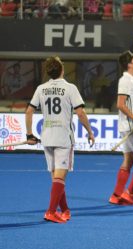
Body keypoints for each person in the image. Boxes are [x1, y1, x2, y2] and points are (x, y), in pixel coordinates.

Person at [24, 56, 96, 223]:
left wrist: (29, 134)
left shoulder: (41, 88)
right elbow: (80, 113)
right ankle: (50, 212)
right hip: (64, 138)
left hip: (47, 137)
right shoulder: (70, 88)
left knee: (56, 178)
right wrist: (90, 132)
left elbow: (28, 111)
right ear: (62, 70)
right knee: (59, 178)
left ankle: (64, 210)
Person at [109, 50, 133, 206]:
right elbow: (120, 104)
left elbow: (131, 104)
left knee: (129, 159)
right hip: (130, 126)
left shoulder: (132, 80)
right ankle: (129, 193)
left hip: (129, 124)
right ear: (130, 64)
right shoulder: (125, 80)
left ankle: (116, 195)